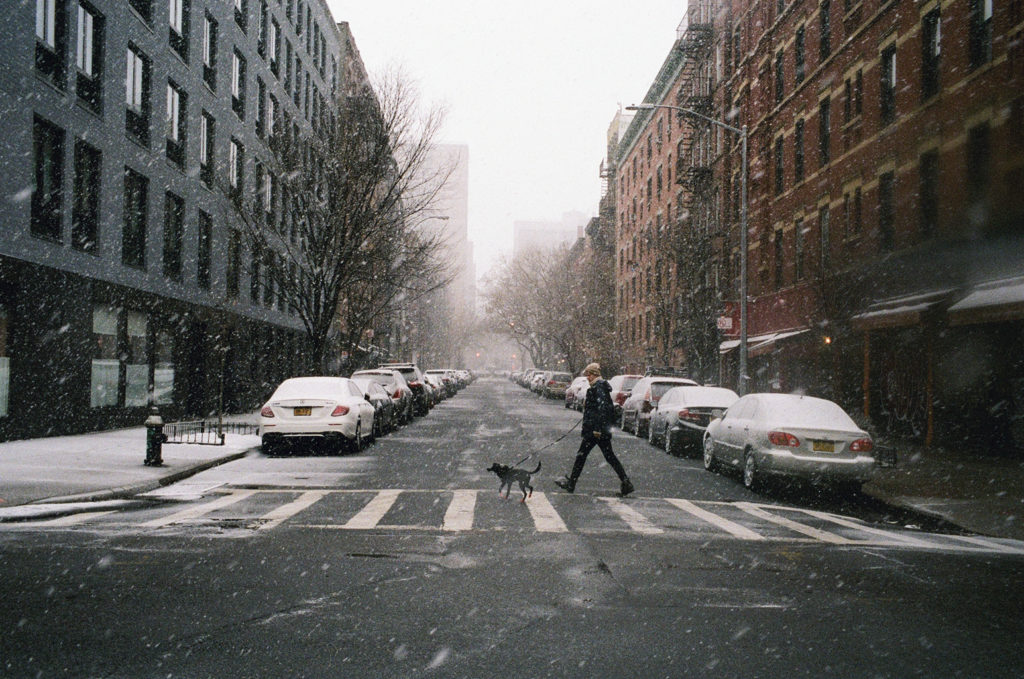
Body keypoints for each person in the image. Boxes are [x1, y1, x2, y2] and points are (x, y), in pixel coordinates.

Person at [555, 363, 634, 496]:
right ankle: (625, 482)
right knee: (607, 456)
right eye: (587, 374)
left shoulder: (599, 388)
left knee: (582, 455)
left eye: (589, 374)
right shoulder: (599, 387)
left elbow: (602, 409)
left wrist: (597, 429)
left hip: (596, 431)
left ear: (595, 374)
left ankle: (571, 483)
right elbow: (599, 409)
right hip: (598, 430)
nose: (587, 377)